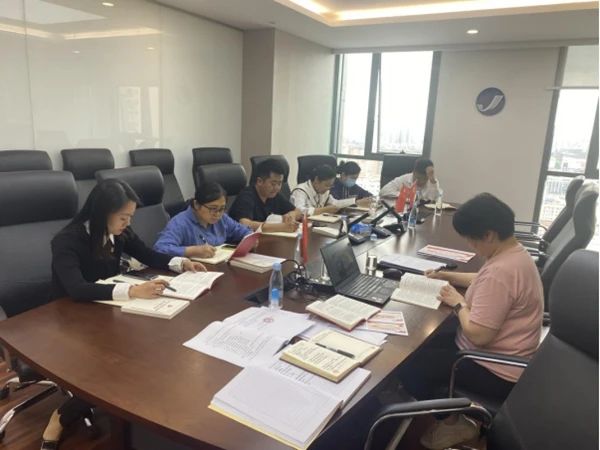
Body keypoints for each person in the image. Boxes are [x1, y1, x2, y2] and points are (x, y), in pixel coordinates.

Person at [46, 179, 207, 448]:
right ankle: (63, 415)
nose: (128, 223)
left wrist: (181, 263)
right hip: (70, 316)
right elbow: (76, 289)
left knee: (150, 346)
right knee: (118, 360)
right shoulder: (67, 240)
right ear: (102, 213)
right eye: (123, 217)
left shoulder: (118, 232)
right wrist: (132, 291)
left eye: (130, 217)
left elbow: (147, 254)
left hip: (105, 309)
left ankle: (137, 412)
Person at [399, 193, 543, 450]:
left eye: (470, 238)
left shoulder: (501, 272)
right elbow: (481, 277)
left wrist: (458, 303)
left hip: (494, 369)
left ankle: (454, 424)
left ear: (488, 235)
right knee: (425, 346)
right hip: (509, 359)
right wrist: (446, 276)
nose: (469, 244)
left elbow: (479, 335)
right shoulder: (514, 255)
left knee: (410, 366)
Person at [154, 182, 254, 259]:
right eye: (213, 209)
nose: (218, 214)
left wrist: (250, 238)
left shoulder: (222, 218)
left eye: (222, 209)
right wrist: (192, 251)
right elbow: (160, 248)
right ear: (197, 205)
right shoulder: (180, 223)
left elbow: (242, 230)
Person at [228, 158, 302, 232]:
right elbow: (245, 224)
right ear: (260, 181)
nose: (277, 188)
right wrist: (282, 227)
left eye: (280, 183)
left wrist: (292, 214)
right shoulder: (246, 196)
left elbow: (298, 212)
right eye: (273, 184)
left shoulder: (274, 195)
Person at [290, 165, 371, 216]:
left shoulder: (324, 192)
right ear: (316, 180)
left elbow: (335, 203)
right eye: (326, 185)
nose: (328, 189)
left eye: (331, 186)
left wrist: (354, 202)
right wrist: (324, 210)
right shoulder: (300, 191)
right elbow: (300, 211)